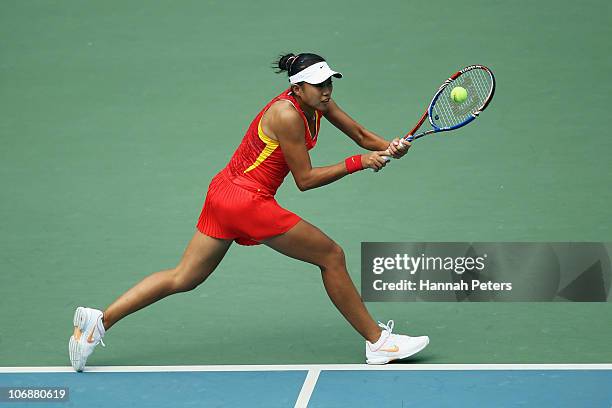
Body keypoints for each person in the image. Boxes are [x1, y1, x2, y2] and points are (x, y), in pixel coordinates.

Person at [68, 52, 429, 371]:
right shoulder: (286, 115)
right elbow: (304, 179)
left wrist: (389, 146)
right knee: (331, 256)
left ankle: (99, 321)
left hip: (223, 193)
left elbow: (362, 133)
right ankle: (378, 342)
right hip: (247, 200)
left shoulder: (317, 103)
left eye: (328, 82)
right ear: (298, 88)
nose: (326, 90)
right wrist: (360, 163)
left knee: (185, 277)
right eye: (317, 85)